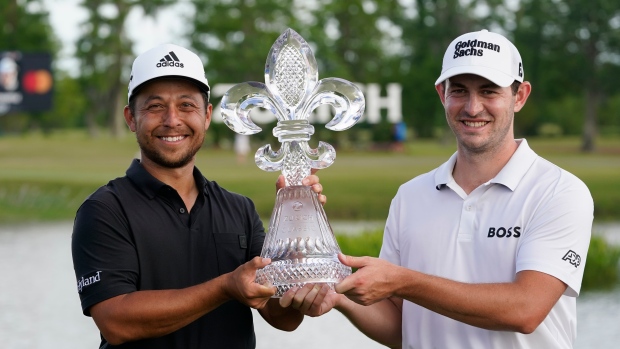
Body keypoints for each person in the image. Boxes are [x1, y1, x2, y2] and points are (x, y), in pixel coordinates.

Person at [283, 29, 594, 349]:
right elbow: (403, 327)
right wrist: (339, 292)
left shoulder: (558, 192)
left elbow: (526, 309)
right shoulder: (410, 196)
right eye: (459, 90)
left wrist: (404, 281)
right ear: (441, 93)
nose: (473, 108)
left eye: (489, 92)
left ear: (520, 96)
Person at [71, 43, 326, 349]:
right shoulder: (104, 210)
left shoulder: (239, 208)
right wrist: (225, 287)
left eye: (186, 105)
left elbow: (283, 317)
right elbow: (116, 322)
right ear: (130, 118)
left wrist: (295, 224)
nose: (172, 120)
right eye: (155, 106)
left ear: (206, 116)